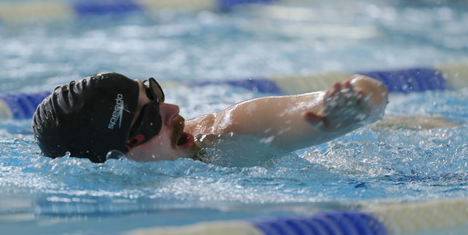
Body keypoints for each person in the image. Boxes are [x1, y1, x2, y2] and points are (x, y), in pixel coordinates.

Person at [32, 72, 389, 163]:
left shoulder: (229, 134)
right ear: (117, 155)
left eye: (155, 95)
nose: (174, 111)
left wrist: (350, 108)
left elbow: (370, 90)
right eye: (151, 119)